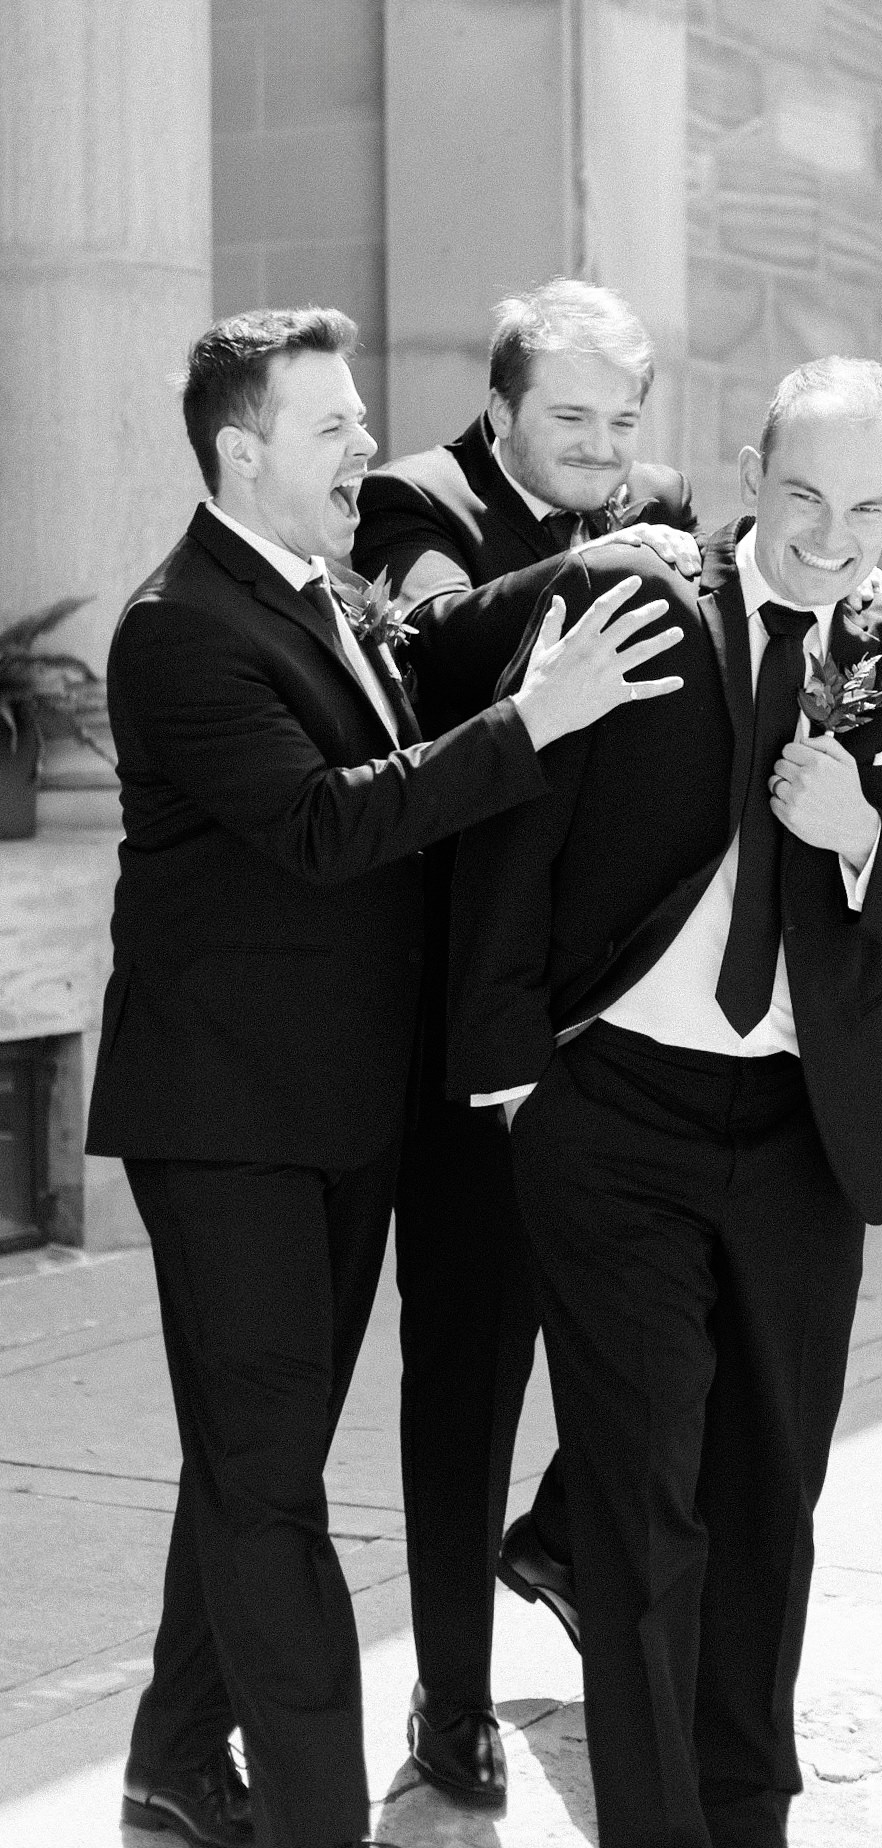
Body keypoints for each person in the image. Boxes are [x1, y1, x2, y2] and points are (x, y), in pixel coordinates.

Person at [86, 308, 683, 1848]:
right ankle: (315, 1823)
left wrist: (615, 564)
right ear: (244, 453)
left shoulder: (321, 587)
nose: (368, 442)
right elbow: (324, 824)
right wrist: (535, 723)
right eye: (333, 424)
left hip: (342, 1114)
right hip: (229, 1129)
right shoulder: (176, 629)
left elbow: (433, 641)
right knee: (272, 1489)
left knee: (254, 1459)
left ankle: (169, 1758)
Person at [446, 355, 882, 1848]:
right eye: (805, 497)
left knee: (769, 1506)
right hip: (611, 1117)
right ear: (751, 477)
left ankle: (746, 1814)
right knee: (639, 1513)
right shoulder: (628, 600)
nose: (833, 538)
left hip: (808, 1139)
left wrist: (864, 835)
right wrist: (516, 1078)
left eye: (869, 510)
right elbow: (514, 836)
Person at [352, 279, 698, 1805]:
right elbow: (432, 654)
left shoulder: (662, 506)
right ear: (500, 410)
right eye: (572, 419)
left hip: (628, 1021)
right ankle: (451, 1696)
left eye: (624, 421)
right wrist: (601, 569)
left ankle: (556, 1541)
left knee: (672, 1345)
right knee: (471, 1371)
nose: (607, 452)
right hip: (473, 1024)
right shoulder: (414, 503)